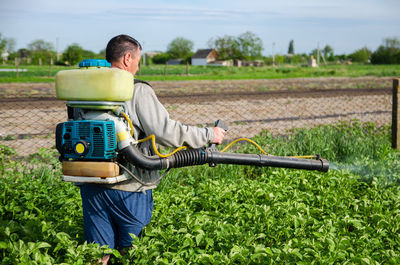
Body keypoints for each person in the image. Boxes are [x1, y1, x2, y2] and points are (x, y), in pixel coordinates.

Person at [79, 34, 226, 264]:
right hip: (129, 186)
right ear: (127, 58)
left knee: (99, 255)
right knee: (132, 252)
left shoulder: (84, 88)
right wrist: (209, 134)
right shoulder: (136, 90)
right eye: (137, 60)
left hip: (90, 184)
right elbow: (166, 131)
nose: (138, 67)